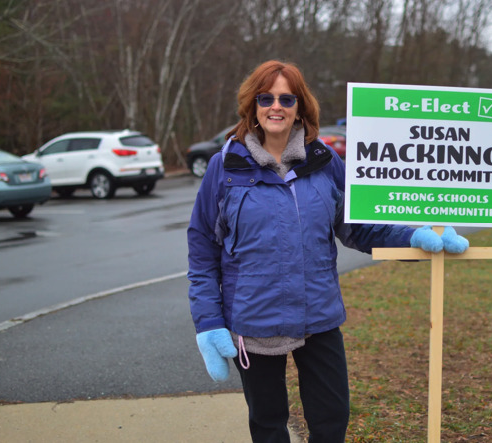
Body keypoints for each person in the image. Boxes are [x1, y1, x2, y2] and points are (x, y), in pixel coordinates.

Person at [186, 60, 469, 443]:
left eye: (287, 98)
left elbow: (359, 226)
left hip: (318, 314)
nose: (276, 106)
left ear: (300, 106)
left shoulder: (324, 163)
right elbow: (202, 249)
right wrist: (208, 322)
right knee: (268, 425)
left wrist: (415, 236)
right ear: (253, 105)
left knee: (332, 418)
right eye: (266, 97)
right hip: (253, 319)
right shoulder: (225, 168)